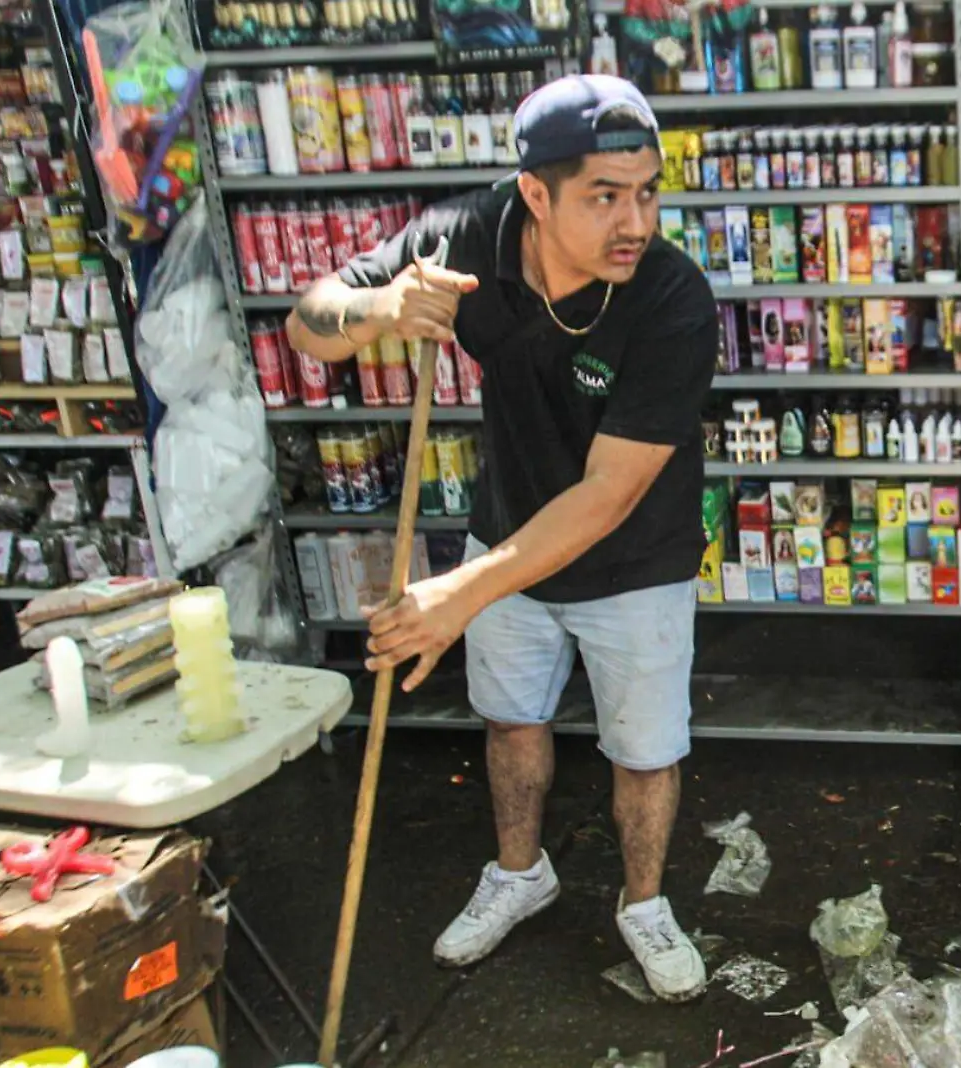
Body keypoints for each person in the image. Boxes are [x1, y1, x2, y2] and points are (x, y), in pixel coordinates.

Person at [284, 75, 715, 1001]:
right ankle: (520, 874)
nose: (634, 221)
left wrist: (458, 593)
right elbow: (307, 325)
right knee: (511, 720)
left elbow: (606, 495)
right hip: (506, 533)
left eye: (646, 192)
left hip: (637, 558)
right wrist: (381, 310)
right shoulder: (464, 241)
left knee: (643, 751)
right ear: (535, 194)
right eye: (604, 196)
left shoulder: (675, 302)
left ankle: (643, 902)